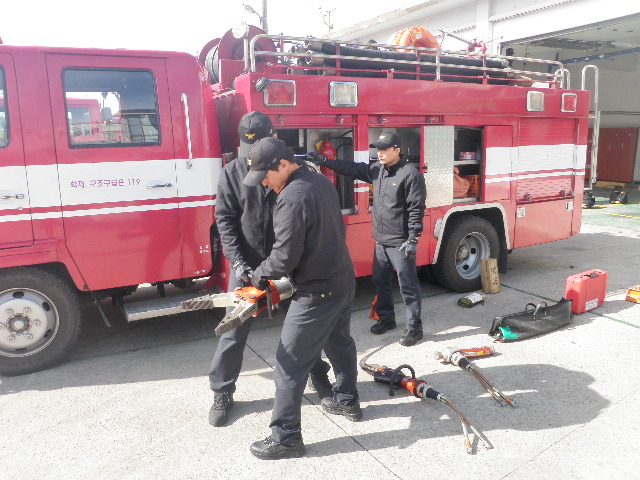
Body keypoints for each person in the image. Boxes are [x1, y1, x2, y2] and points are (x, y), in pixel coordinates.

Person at [208, 111, 333, 428]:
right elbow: (225, 220)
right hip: (249, 267)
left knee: (305, 327)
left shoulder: (293, 169)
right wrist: (238, 261)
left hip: (290, 264)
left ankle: (319, 376)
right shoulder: (232, 172)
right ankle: (222, 391)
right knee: (233, 329)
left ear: (274, 139)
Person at [243, 137, 360, 460]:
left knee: (289, 363)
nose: (264, 183)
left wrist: (259, 274)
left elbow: (284, 258)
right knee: (339, 343)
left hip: (317, 291)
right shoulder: (319, 180)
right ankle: (347, 400)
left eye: (266, 175)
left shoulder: (292, 198)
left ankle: (286, 438)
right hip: (342, 278)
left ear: (283, 164)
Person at [316, 131, 427, 346]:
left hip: (400, 242)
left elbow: (416, 209)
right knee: (380, 280)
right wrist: (325, 161)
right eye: (378, 149)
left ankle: (415, 329)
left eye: (385, 149)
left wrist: (413, 239)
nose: (380, 153)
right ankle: (387, 319)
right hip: (381, 241)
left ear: (397, 150)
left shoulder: (410, 175)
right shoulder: (377, 170)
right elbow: (352, 169)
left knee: (408, 286)